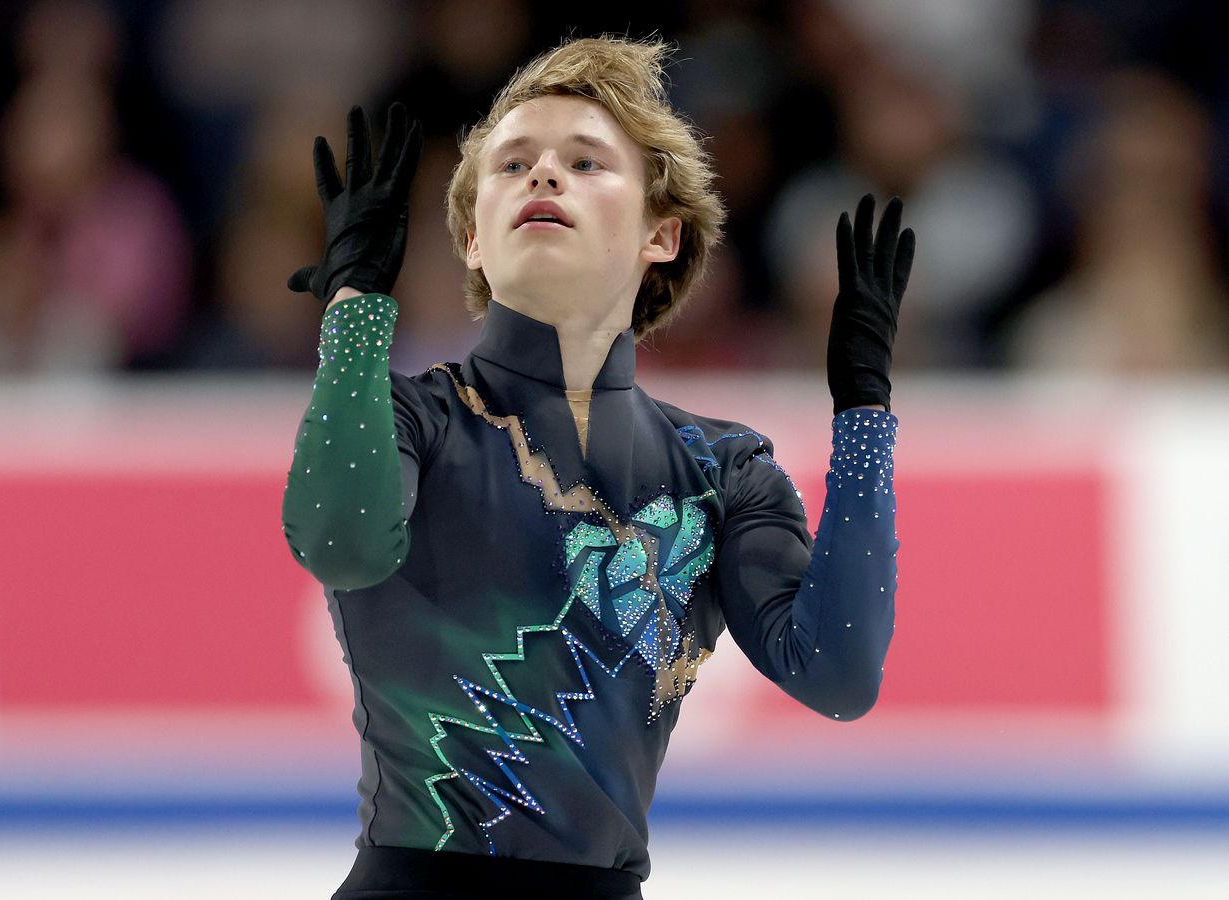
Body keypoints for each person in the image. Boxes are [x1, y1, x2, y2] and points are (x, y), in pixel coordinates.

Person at [282, 36, 913, 900]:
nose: (544, 175)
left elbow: (838, 674)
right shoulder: (412, 419)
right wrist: (355, 305)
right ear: (472, 238)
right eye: (513, 165)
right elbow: (339, 542)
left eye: (585, 162)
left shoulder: (722, 470)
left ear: (661, 234)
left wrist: (865, 415)